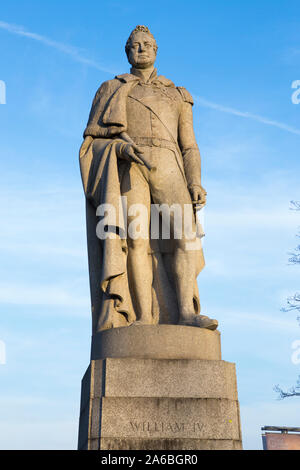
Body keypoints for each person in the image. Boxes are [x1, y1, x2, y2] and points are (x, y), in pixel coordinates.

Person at [79, 25, 218, 332]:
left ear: (156, 50)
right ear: (126, 52)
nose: (140, 48)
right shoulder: (110, 89)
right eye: (134, 45)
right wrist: (119, 148)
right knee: (136, 239)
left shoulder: (177, 94)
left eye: (146, 44)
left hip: (170, 164)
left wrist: (195, 181)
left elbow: (190, 145)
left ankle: (186, 313)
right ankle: (143, 317)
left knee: (185, 238)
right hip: (131, 166)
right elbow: (91, 142)